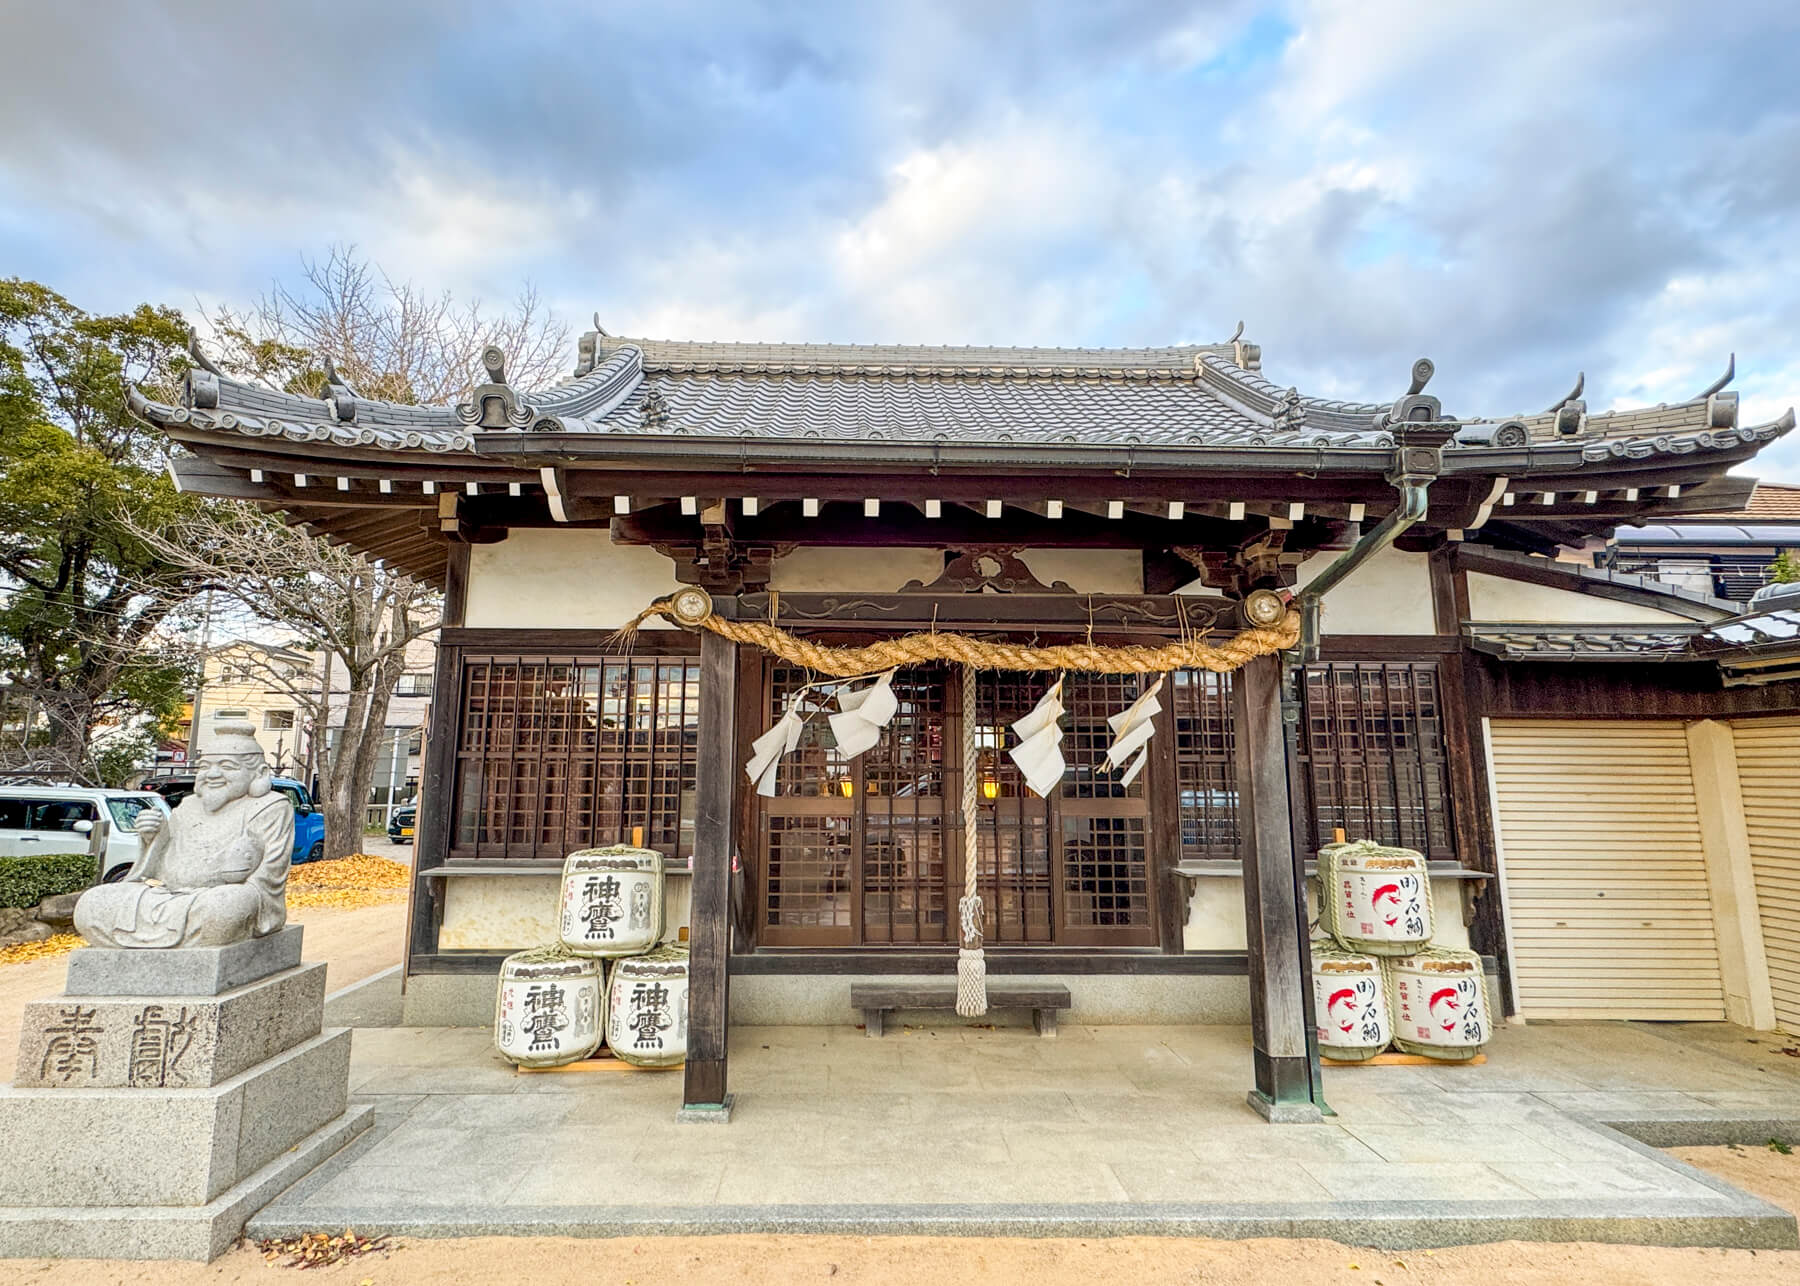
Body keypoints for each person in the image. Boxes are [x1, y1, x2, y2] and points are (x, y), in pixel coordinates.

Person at [73, 725, 292, 948]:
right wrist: (152, 836)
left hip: (215, 899)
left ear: (259, 773)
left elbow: (270, 874)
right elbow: (155, 864)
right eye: (205, 766)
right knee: (92, 903)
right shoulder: (188, 806)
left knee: (227, 907)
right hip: (163, 893)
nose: (213, 774)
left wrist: (239, 881)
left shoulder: (271, 807)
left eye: (227, 766)